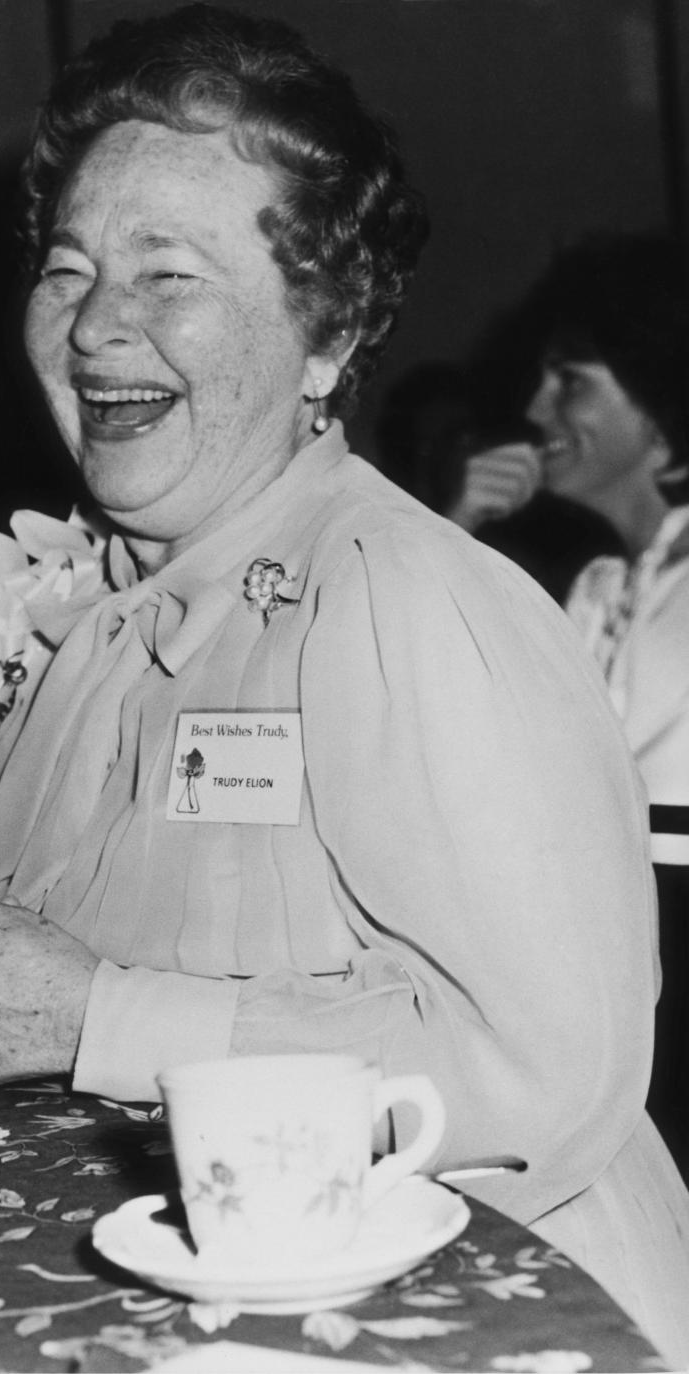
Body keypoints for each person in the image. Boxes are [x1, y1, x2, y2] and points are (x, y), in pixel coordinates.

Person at [0, 9, 689, 1364]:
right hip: (162, 1294)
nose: (100, 324)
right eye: (68, 270)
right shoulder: (53, 617)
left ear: (328, 334)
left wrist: (101, 1019)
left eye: (168, 274)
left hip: (468, 1312)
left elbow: (549, 1074)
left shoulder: (414, 606)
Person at [445, 233, 689, 1170]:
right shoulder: (594, 589)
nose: (535, 407)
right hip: (616, 1006)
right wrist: (451, 533)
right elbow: (469, 758)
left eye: (571, 381)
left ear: (664, 411)